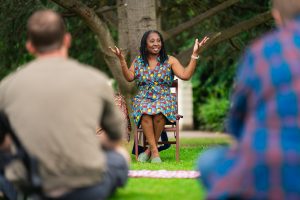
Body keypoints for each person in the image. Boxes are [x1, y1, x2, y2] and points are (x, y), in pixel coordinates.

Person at [0, 9, 129, 200]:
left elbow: (4, 144)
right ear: (67, 40)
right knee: (120, 156)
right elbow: (115, 138)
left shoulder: (6, 87)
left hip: (33, 183)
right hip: (87, 188)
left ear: (30, 46)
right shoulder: (96, 80)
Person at [197, 0, 300, 199]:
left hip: (268, 167)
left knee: (209, 161)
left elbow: (237, 123)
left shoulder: (262, 51)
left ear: (276, 15)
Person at [110, 30, 209, 163]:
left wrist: (195, 54)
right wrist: (121, 59)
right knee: (145, 112)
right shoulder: (138, 61)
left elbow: (185, 75)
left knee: (159, 112)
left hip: (164, 97)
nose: (156, 44)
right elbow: (129, 77)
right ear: (145, 45)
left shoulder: (170, 60)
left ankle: (149, 151)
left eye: (158, 41)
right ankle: (155, 152)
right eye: (152, 41)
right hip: (144, 97)